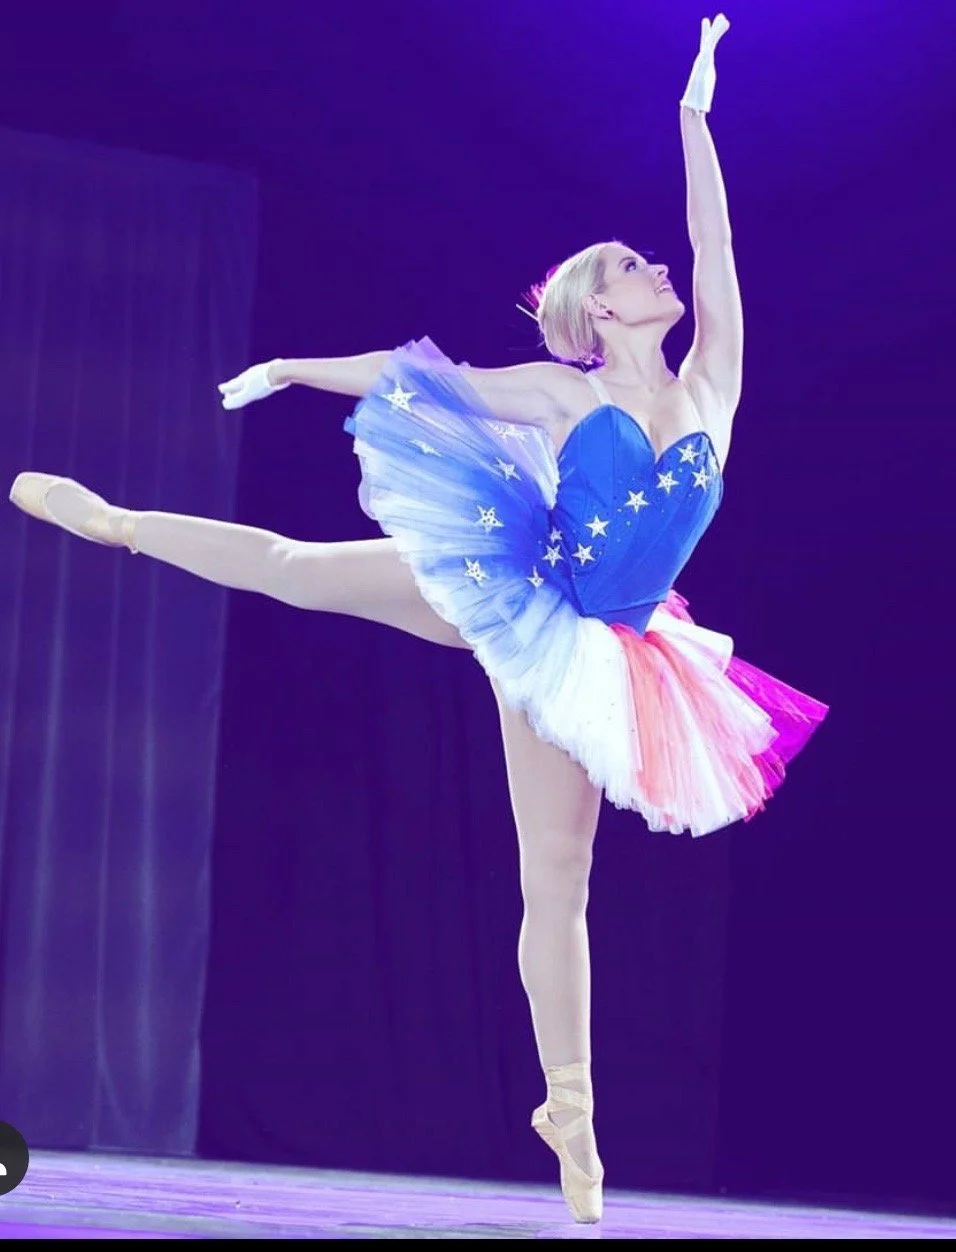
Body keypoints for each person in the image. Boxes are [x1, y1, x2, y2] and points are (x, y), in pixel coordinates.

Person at [9, 15, 826, 1223]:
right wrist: (294, 369)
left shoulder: (714, 382)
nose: (653, 271)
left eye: (648, 264)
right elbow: (418, 380)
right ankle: (121, 523)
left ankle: (568, 1110)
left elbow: (715, 239)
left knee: (559, 878)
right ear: (595, 313)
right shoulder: (558, 392)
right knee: (298, 567)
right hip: (524, 595)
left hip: (618, 651)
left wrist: (692, 110)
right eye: (627, 268)